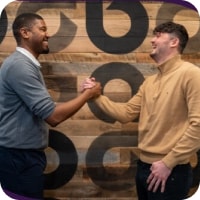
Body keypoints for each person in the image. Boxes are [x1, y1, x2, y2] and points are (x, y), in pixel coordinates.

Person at [82, 21, 200, 200]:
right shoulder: (150, 81)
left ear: (174, 42)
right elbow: (126, 113)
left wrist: (168, 163)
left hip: (170, 170)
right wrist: (95, 95)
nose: (152, 40)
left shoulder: (191, 74)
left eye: (158, 36)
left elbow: (198, 125)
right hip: (144, 167)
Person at [0, 13, 101, 199]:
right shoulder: (20, 66)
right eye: (43, 29)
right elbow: (53, 116)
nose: (48, 35)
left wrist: (81, 95)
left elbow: (44, 107)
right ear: (25, 33)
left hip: (22, 157)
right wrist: (88, 94)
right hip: (18, 159)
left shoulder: (25, 65)